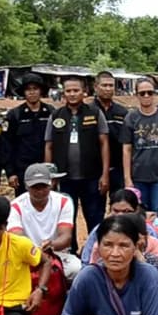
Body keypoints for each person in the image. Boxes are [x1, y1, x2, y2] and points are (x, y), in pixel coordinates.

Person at [44, 76, 110, 249]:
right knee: (66, 219)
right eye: (68, 91)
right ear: (63, 93)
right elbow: (49, 146)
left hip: (92, 177)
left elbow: (104, 143)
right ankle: (70, 252)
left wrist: (105, 175)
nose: (72, 94)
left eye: (76, 90)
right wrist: (49, 175)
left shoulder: (95, 113)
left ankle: (94, 251)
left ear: (84, 92)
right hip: (65, 178)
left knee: (95, 217)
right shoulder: (56, 115)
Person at [81, 189, 158, 286]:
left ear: (136, 210)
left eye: (126, 211)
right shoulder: (100, 230)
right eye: (116, 211)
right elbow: (86, 262)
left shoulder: (148, 231)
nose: (120, 215)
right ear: (110, 210)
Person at [121, 78, 158, 222]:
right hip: (138, 177)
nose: (146, 96)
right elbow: (127, 149)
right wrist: (127, 178)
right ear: (136, 95)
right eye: (142, 93)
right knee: (139, 217)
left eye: (150, 92)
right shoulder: (131, 117)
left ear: (155, 93)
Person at [7, 163, 74, 254]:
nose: (40, 191)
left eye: (43, 186)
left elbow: (66, 237)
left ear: (50, 184)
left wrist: (51, 245)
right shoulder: (15, 206)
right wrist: (36, 252)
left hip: (57, 253)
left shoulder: (64, 202)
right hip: (26, 254)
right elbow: (17, 238)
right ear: (26, 186)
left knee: (75, 264)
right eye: (35, 187)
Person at [5, 73, 54, 195]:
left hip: (46, 168)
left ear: (41, 91)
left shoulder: (51, 112)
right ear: (24, 92)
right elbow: (7, 145)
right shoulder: (14, 115)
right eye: (28, 89)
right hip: (23, 170)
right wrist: (11, 173)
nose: (32, 92)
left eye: (35, 89)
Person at [94, 71, 129, 194]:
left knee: (119, 202)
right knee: (96, 204)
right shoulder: (89, 111)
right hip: (95, 168)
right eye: (104, 85)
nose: (108, 89)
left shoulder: (122, 112)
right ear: (96, 87)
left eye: (111, 85)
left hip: (119, 167)